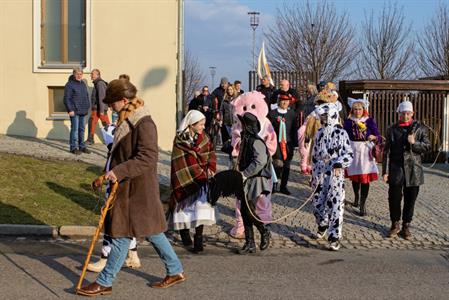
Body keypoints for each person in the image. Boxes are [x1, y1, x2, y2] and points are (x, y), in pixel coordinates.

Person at [77, 79, 185, 297]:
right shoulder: (128, 119)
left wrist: (118, 171)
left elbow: (147, 158)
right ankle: (175, 270)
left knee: (121, 235)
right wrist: (108, 173)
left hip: (136, 190)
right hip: (129, 187)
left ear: (124, 100)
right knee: (152, 232)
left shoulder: (144, 123)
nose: (110, 107)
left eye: (112, 103)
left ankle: (105, 282)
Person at [168, 110, 217, 253]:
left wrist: (210, 168)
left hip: (201, 180)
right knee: (184, 209)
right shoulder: (179, 140)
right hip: (185, 179)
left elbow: (211, 155)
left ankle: (199, 238)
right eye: (201, 124)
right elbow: (178, 163)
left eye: (204, 124)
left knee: (200, 210)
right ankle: (184, 233)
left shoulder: (205, 139)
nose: (203, 126)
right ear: (191, 124)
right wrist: (195, 171)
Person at [382, 101, 431, 240]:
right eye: (403, 113)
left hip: (414, 169)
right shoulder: (392, 129)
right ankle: (395, 224)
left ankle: (406, 226)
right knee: (394, 198)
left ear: (412, 114)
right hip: (396, 168)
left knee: (410, 200)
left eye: (408, 113)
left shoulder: (420, 128)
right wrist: (385, 172)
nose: (406, 116)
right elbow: (386, 152)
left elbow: (428, 147)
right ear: (399, 114)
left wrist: (414, 143)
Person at [311, 103, 353, 251]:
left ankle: (334, 237)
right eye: (321, 116)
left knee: (335, 205)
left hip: (335, 175)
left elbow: (349, 154)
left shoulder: (342, 133)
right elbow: (315, 154)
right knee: (317, 203)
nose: (323, 119)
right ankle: (322, 223)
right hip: (320, 174)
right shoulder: (319, 133)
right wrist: (313, 173)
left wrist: (339, 164)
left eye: (325, 116)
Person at [237, 112, 272, 254]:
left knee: (248, 210)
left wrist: (245, 173)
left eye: (242, 124)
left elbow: (260, 161)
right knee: (245, 210)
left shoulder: (256, 141)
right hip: (247, 179)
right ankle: (250, 242)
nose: (240, 126)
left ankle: (264, 231)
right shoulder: (246, 139)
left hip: (254, 179)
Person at [343, 98, 381, 216]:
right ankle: (356, 198)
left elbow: (378, 135)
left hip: (365, 150)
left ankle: (363, 205)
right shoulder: (349, 122)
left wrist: (374, 137)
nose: (357, 111)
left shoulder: (369, 121)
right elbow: (344, 135)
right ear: (352, 110)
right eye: (355, 109)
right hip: (353, 149)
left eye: (359, 109)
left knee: (365, 178)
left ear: (363, 109)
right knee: (355, 177)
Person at [268, 92, 298, 195]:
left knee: (287, 165)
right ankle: (273, 185)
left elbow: (294, 129)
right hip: (276, 143)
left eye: (287, 101)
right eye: (283, 101)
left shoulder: (292, 114)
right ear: (279, 101)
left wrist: (296, 143)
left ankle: (283, 186)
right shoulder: (272, 114)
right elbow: (268, 129)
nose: (285, 103)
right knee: (276, 164)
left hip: (288, 143)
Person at [63, 67, 91, 155]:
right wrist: (70, 110)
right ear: (74, 74)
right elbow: (66, 98)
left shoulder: (83, 84)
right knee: (75, 130)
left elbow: (86, 96)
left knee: (82, 129)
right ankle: (73, 147)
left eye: (80, 74)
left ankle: (82, 146)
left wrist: (87, 107)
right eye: (77, 74)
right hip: (74, 111)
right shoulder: (69, 84)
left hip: (83, 110)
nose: (79, 76)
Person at [86, 69, 110, 144]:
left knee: (106, 125)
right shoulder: (97, 83)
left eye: (92, 74)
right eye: (91, 74)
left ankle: (111, 140)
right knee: (92, 122)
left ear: (97, 75)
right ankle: (90, 140)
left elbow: (102, 97)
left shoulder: (100, 83)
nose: (91, 75)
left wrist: (102, 111)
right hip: (97, 108)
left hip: (99, 109)